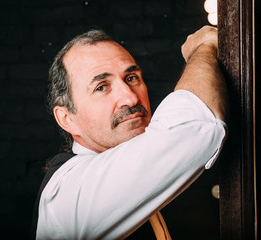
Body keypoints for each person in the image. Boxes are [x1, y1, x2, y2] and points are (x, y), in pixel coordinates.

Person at [31, 25, 228, 239]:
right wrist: (205, 47)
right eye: (102, 87)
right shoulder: (68, 194)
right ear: (67, 118)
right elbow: (195, 127)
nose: (131, 98)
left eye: (131, 78)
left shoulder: (131, 169)